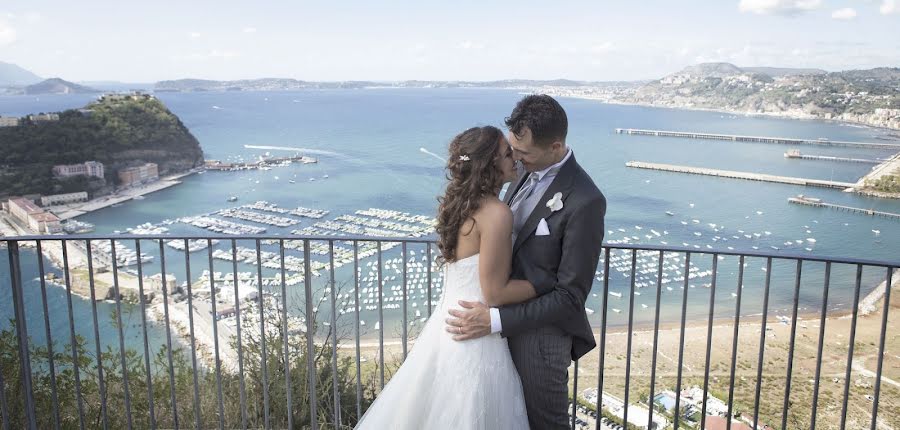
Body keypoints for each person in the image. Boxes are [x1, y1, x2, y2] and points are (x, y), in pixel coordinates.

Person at [355, 125, 535, 429]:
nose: (514, 157)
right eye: (507, 153)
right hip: (475, 333)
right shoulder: (496, 213)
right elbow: (494, 293)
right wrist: (543, 285)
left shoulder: (461, 206)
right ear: (491, 164)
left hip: (446, 326)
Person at [446, 94, 607, 429]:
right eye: (512, 150)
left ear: (555, 146)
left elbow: (569, 297)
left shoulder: (585, 200)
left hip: (540, 340)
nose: (514, 160)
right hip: (493, 334)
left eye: (524, 153)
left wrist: (495, 320)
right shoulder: (519, 172)